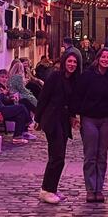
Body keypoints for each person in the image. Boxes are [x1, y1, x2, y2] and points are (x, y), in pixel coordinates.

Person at [35, 50, 80, 204]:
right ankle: (45, 190)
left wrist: (73, 117)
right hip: (52, 119)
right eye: (70, 61)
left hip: (63, 121)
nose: (72, 64)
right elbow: (44, 97)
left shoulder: (73, 80)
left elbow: (73, 102)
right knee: (57, 156)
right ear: (64, 62)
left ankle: (52, 189)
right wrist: (38, 119)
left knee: (60, 157)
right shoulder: (55, 76)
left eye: (75, 62)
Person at [75, 47, 108, 203]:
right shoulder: (87, 75)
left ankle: (99, 188)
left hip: (105, 119)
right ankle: (90, 189)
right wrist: (76, 115)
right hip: (89, 119)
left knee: (102, 155)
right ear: (98, 58)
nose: (106, 60)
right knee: (90, 154)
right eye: (103, 57)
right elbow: (78, 95)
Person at [0, 71, 32, 143]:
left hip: (0, 109)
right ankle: (28, 121)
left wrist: (9, 97)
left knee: (21, 114)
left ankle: (17, 137)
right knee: (21, 107)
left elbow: (0, 99)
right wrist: (3, 94)